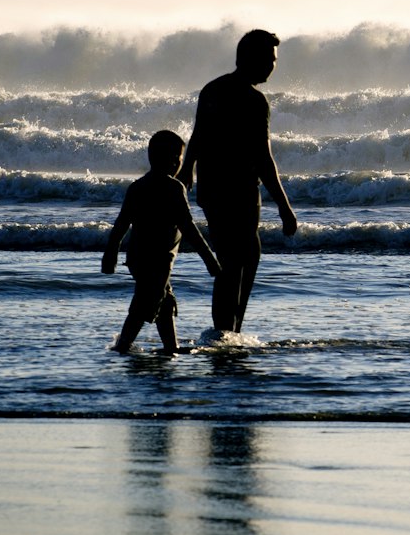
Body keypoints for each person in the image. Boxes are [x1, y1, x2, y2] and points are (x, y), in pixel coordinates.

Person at [178, 29, 298, 335]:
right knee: (234, 262)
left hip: (211, 189)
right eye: (269, 59)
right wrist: (284, 207)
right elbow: (264, 159)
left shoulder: (212, 89)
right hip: (238, 190)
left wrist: (187, 169)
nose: (273, 66)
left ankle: (231, 329)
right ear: (249, 57)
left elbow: (198, 135)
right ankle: (226, 331)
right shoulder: (254, 101)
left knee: (245, 255)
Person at [102, 129, 221, 353]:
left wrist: (111, 253)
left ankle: (170, 347)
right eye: (177, 158)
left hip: (137, 258)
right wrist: (209, 259)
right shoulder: (174, 188)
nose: (179, 163)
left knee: (163, 302)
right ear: (162, 158)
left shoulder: (137, 187)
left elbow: (120, 225)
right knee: (146, 303)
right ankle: (123, 345)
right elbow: (188, 228)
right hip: (158, 260)